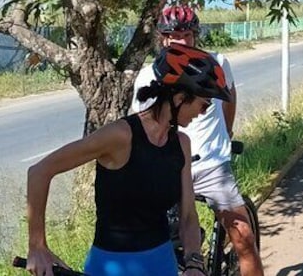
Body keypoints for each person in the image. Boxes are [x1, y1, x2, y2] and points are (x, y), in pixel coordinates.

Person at [25, 44, 231, 276]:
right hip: (110, 267)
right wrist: (37, 246)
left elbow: (188, 216)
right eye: (204, 105)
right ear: (180, 98)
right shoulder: (121, 136)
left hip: (162, 264)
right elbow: (39, 172)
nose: (203, 113)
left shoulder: (181, 144)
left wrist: (194, 262)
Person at [131, 3, 264, 276]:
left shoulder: (216, 63)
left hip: (211, 166)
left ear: (195, 36)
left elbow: (229, 97)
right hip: (169, 169)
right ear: (163, 39)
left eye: (186, 35)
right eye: (173, 36)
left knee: (244, 237)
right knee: (163, 246)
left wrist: (226, 134)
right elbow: (144, 127)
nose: (180, 41)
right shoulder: (148, 76)